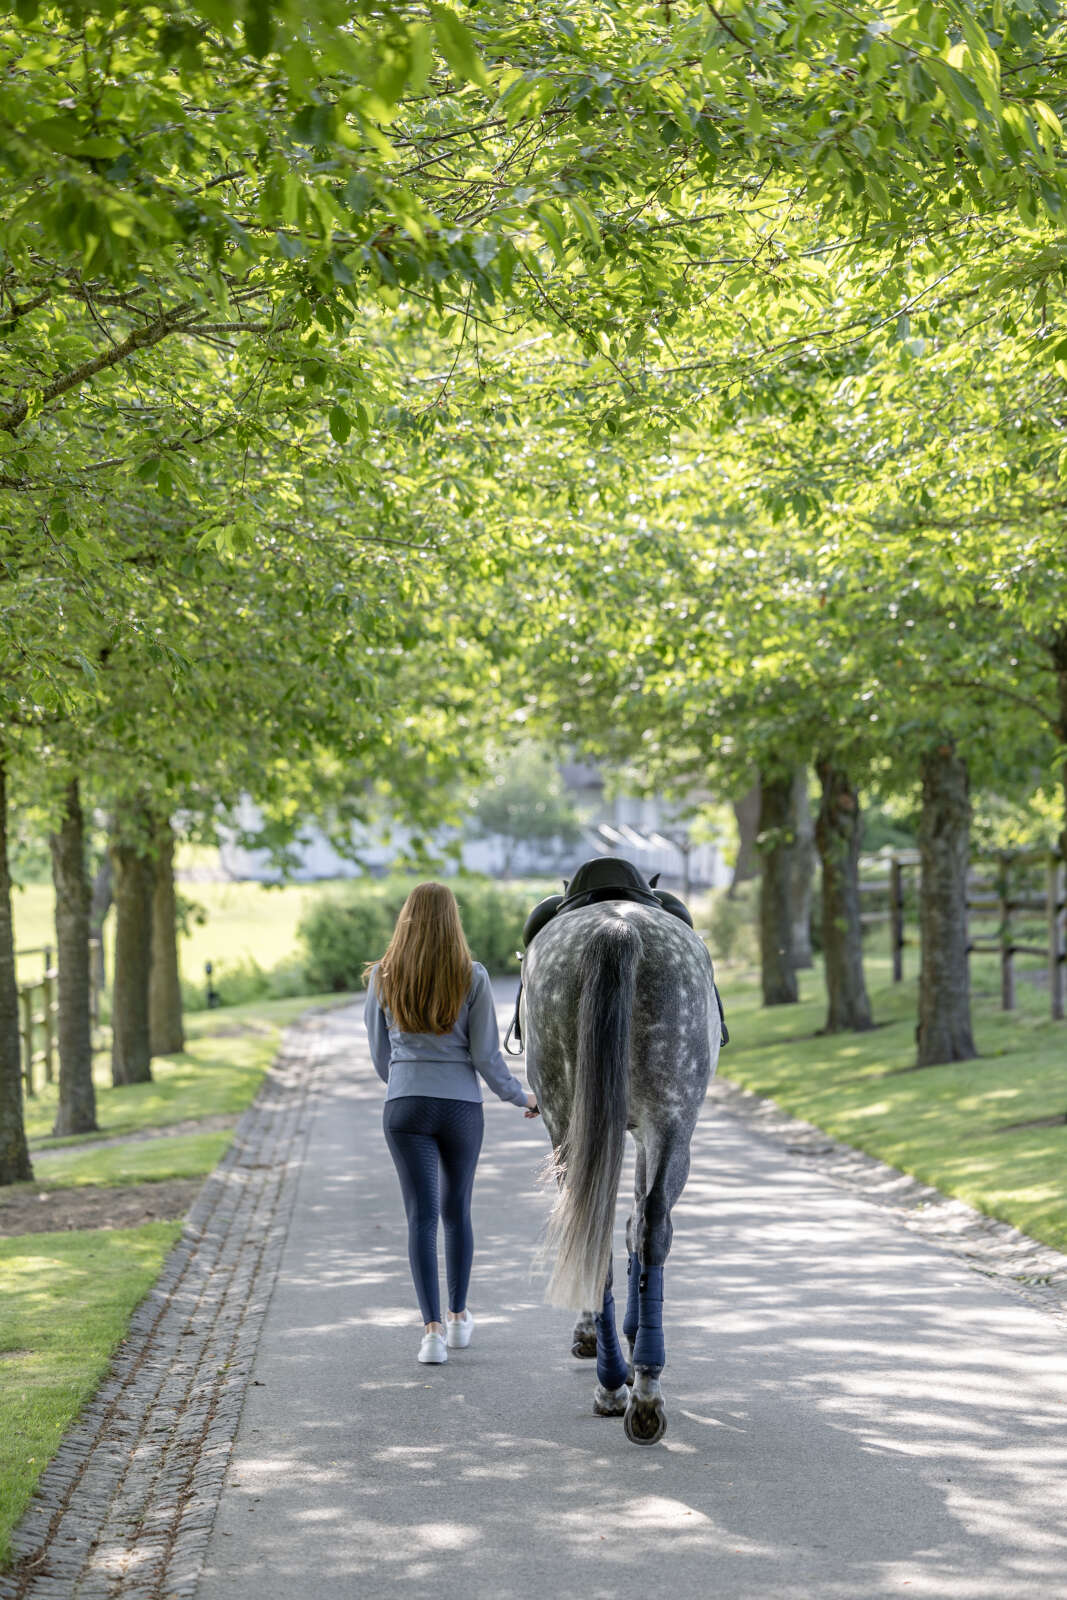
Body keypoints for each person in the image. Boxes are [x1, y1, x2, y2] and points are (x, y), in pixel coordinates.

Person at [364, 882, 539, 1366]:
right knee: (455, 1211)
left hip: (404, 1107)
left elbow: (381, 1057)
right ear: (452, 920)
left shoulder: (383, 976)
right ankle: (460, 1317)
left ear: (406, 918)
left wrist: (406, 1080)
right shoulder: (473, 976)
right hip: (461, 1108)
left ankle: (432, 1333)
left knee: (420, 1217)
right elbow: (485, 1056)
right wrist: (519, 1095)